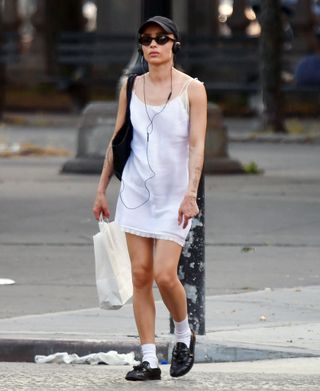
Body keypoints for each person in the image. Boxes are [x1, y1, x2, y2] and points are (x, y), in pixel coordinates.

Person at [92, 15, 207, 381]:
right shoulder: (132, 85)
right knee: (140, 276)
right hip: (135, 194)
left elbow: (197, 146)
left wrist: (191, 193)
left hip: (175, 197)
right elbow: (118, 139)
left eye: (161, 38)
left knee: (163, 275)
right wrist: (101, 189)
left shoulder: (193, 89)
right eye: (146, 39)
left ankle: (183, 335)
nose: (153, 45)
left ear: (175, 44)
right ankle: (148, 359)